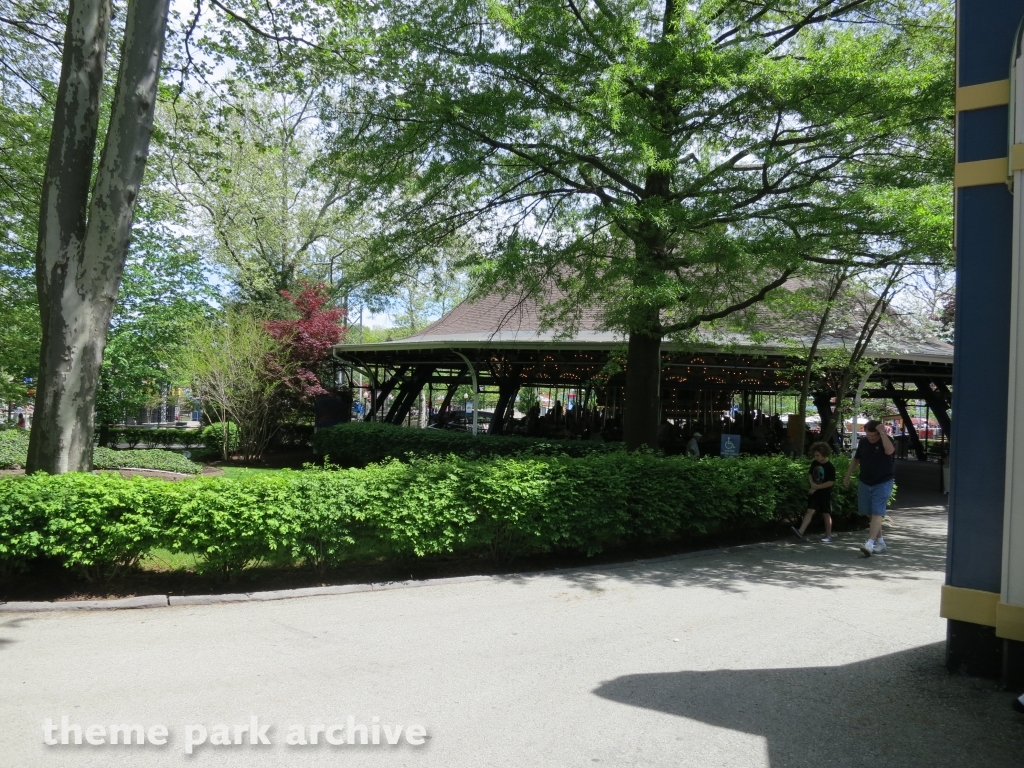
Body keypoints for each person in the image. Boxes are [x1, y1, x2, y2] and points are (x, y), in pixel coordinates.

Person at [843, 419, 896, 557]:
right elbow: (856, 459)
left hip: (883, 481)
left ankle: (870, 543)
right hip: (866, 481)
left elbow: (890, 451)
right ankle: (880, 542)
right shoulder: (863, 442)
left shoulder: (886, 439)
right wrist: (848, 475)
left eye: (875, 435)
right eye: (869, 435)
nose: (872, 438)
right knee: (871, 514)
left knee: (877, 512)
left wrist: (882, 433)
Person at [792, 442, 836, 542]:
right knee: (810, 510)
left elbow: (830, 482)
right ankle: (800, 531)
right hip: (814, 491)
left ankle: (828, 535)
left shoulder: (830, 467)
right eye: (815, 455)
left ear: (824, 454)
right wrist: (812, 484)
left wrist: (819, 487)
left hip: (825, 493)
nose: (816, 457)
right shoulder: (814, 463)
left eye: (818, 455)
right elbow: (810, 475)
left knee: (826, 513)